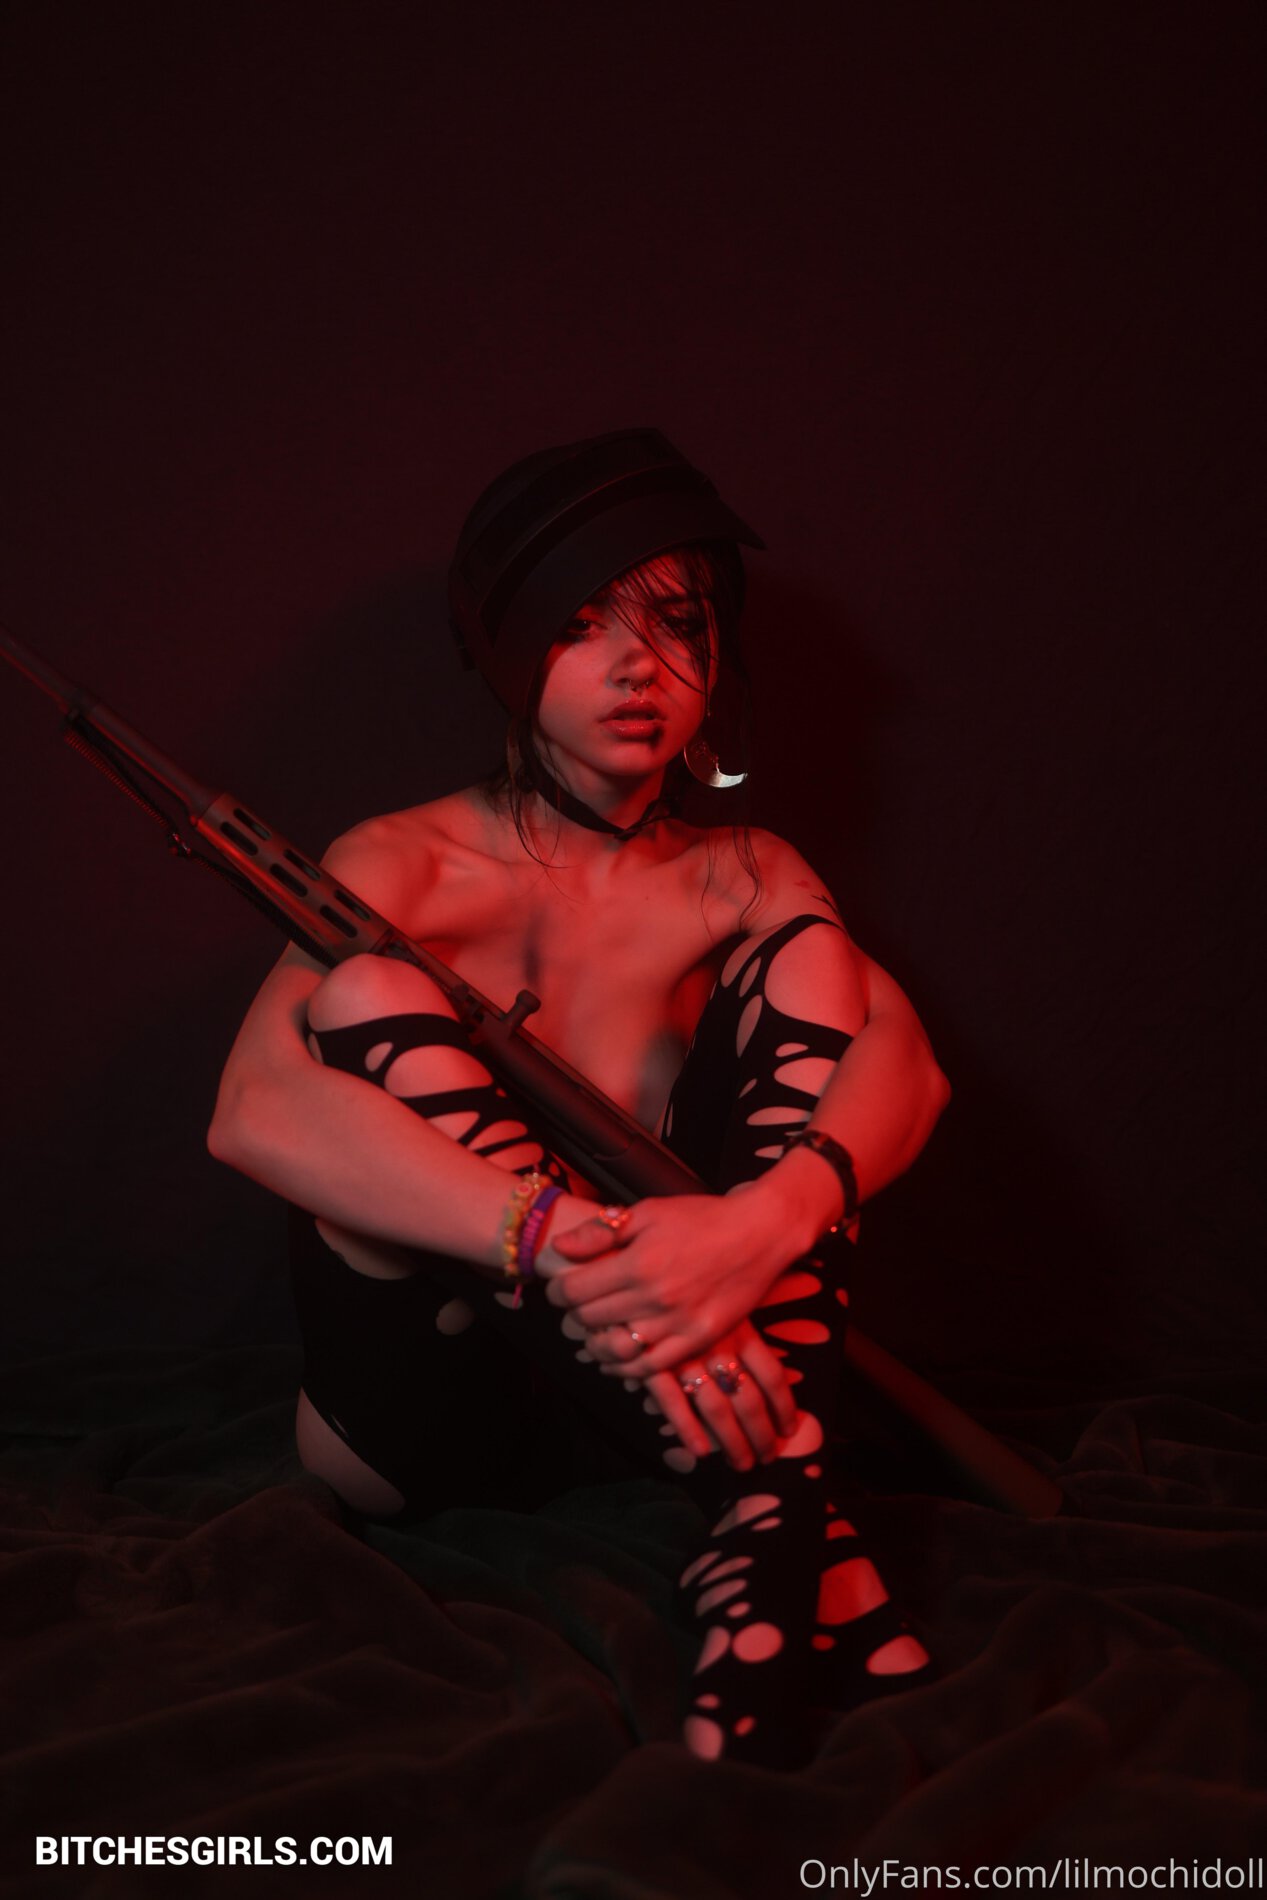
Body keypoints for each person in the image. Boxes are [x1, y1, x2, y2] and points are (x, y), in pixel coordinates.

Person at [208, 429, 950, 1769]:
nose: (637, 665)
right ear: (508, 652)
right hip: (431, 1412)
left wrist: (761, 1225)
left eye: (677, 622)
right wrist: (556, 1236)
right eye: (580, 623)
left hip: (647, 1421)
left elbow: (907, 1067)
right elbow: (253, 1110)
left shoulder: (743, 872)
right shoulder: (403, 861)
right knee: (366, 989)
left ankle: (760, 1501)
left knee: (821, 963)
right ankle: (790, 1495)